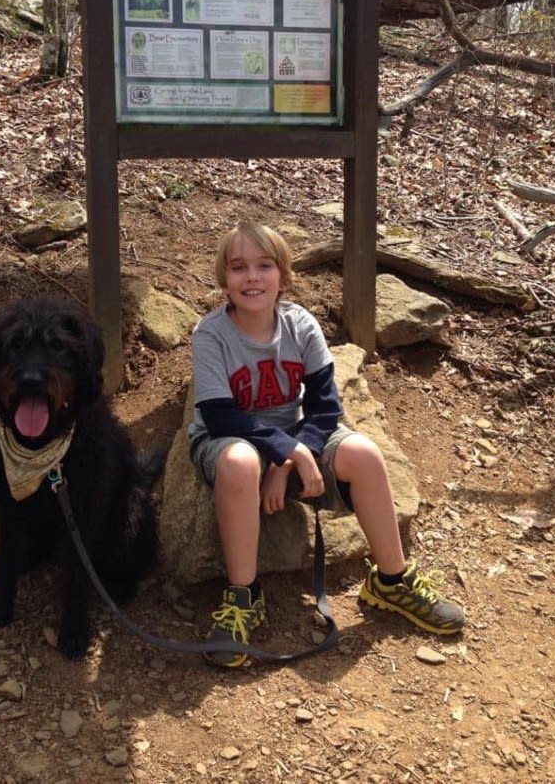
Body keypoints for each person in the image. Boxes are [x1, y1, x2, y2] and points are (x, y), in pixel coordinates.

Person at [188, 220, 465, 668]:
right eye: (238, 267)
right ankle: (243, 597)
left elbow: (323, 408)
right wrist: (290, 453)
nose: (252, 277)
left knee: (365, 454)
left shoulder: (300, 325)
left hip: (296, 434)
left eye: (264, 266)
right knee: (240, 462)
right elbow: (221, 417)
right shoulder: (211, 334)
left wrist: (286, 462)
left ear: (283, 275)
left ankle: (391, 581)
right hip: (230, 440)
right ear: (224, 279)